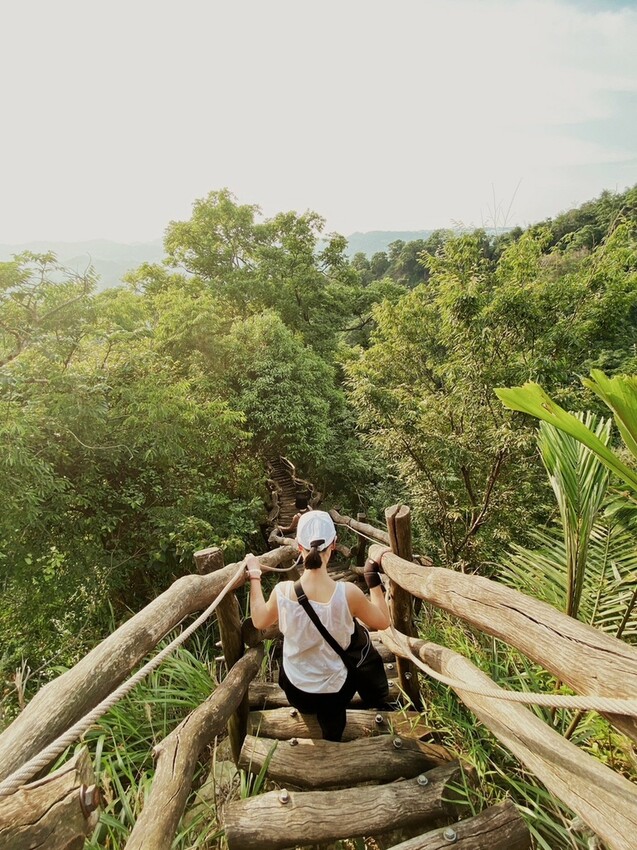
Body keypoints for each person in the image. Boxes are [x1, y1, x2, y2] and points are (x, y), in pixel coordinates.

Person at [246, 510, 390, 742]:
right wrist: (371, 577)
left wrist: (255, 576)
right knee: (334, 714)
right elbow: (383, 621)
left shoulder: (282, 592)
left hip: (296, 690)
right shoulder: (349, 593)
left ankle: (311, 715)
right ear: (334, 544)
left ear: (298, 546)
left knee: (296, 680)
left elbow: (259, 621)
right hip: (336, 692)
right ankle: (333, 734)